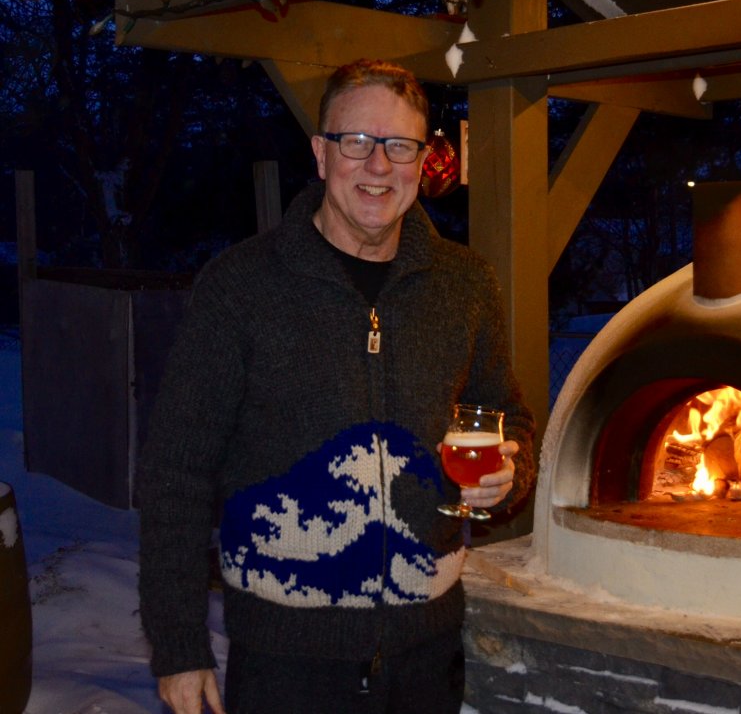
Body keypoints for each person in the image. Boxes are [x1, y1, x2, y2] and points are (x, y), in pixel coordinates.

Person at [138, 58, 535, 714]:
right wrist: (179, 644)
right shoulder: (240, 288)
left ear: (422, 162)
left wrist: (507, 478)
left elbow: (506, 417)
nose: (379, 166)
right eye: (357, 142)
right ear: (321, 155)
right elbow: (175, 475)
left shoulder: (465, 284)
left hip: (426, 658)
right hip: (283, 663)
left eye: (400, 146)